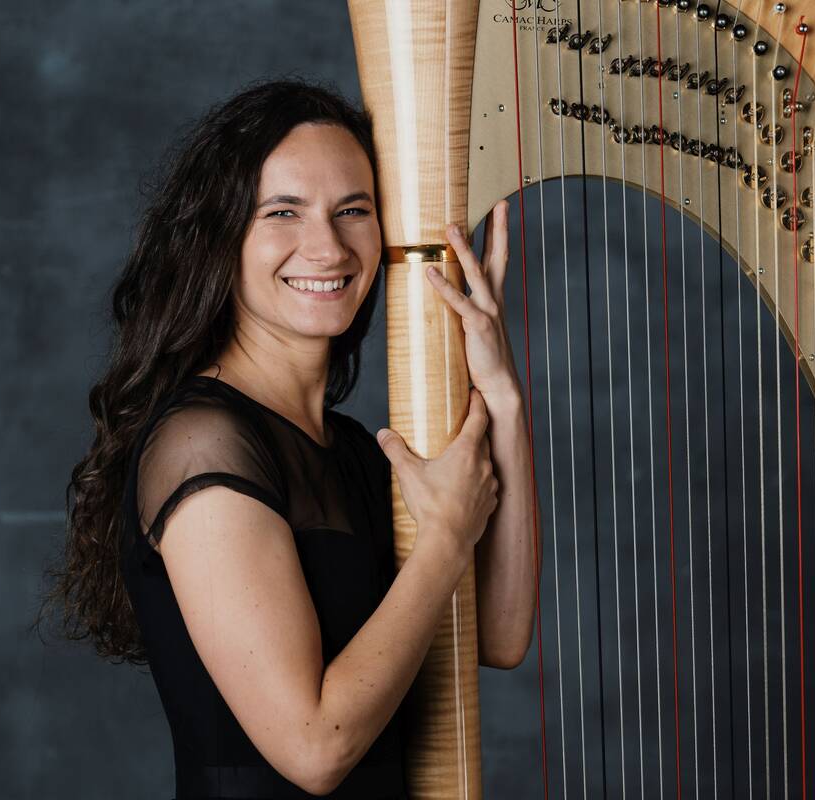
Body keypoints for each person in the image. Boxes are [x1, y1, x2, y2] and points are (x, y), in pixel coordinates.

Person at [41, 79, 538, 799]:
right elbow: (314, 748)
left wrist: (503, 399)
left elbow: (499, 632)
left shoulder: (354, 449)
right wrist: (445, 538)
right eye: (283, 212)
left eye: (353, 211)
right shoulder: (202, 444)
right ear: (221, 238)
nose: (328, 247)